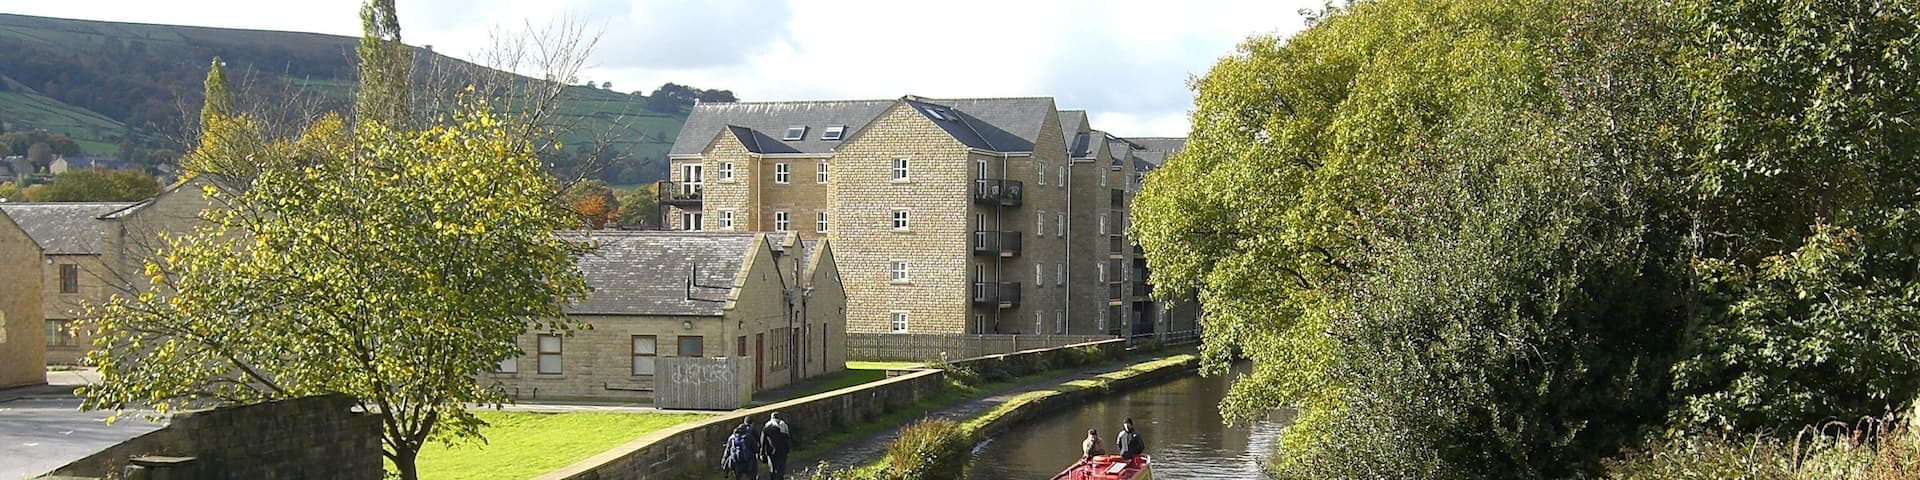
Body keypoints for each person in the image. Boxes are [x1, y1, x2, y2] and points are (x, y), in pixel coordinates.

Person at [761, 412, 792, 480]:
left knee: (772, 468)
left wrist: (762, 453)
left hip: (770, 451)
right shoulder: (783, 425)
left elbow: (763, 442)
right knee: (780, 468)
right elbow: (787, 439)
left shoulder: (766, 427)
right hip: (781, 451)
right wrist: (788, 450)